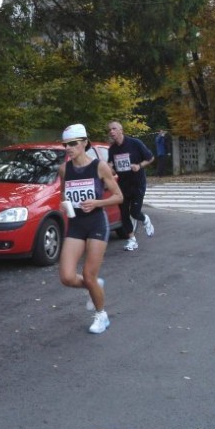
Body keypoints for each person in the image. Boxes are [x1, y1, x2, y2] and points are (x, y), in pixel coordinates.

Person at [58, 124, 123, 334]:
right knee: (67, 277)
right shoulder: (64, 169)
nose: (69, 148)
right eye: (65, 144)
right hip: (76, 224)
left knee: (88, 274)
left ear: (84, 142)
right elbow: (64, 196)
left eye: (73, 144)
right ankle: (94, 286)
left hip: (96, 222)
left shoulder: (99, 166)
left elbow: (118, 196)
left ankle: (101, 315)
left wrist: (96, 203)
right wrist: (63, 204)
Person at [107, 121, 155, 251]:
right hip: (123, 184)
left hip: (137, 183)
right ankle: (132, 240)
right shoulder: (112, 150)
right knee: (123, 214)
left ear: (121, 130)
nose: (111, 131)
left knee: (134, 212)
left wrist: (139, 166)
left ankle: (145, 219)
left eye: (114, 129)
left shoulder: (135, 143)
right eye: (110, 130)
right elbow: (113, 170)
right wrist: (110, 169)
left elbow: (150, 158)